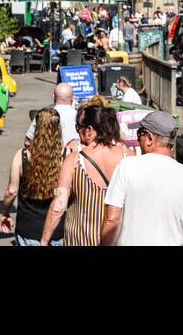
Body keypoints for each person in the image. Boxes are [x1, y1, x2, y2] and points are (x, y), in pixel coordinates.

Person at [100, 111, 183, 246]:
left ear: (150, 138)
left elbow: (112, 220)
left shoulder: (127, 167)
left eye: (140, 133)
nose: (138, 139)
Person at [40, 104, 127, 245]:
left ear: (89, 130)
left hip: (80, 239)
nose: (77, 132)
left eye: (78, 127)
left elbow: (59, 205)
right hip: (117, 239)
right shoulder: (128, 156)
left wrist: (44, 241)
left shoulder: (74, 160)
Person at [0, 108, 66, 246]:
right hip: (58, 231)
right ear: (59, 128)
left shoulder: (22, 156)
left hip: (28, 230)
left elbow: (11, 192)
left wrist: (5, 213)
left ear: (35, 128)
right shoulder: (67, 157)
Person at [25, 83, 79, 149]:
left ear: (53, 96)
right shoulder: (80, 116)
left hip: (48, 156)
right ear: (73, 98)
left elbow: (27, 142)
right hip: (73, 156)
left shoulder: (44, 115)